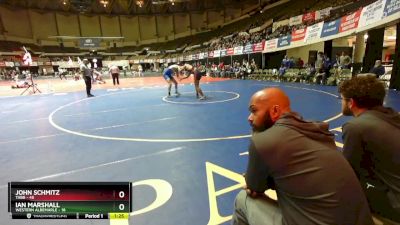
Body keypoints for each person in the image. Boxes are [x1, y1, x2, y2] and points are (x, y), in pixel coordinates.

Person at [232, 88, 373, 225]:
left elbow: (254, 187)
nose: (249, 118)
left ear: (275, 111)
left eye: (254, 111)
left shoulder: (264, 141)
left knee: (243, 198)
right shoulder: (315, 129)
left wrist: (257, 133)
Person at [339, 76, 400, 222]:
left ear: (351, 103)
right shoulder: (393, 116)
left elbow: (348, 172)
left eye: (342, 99)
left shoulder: (356, 128)